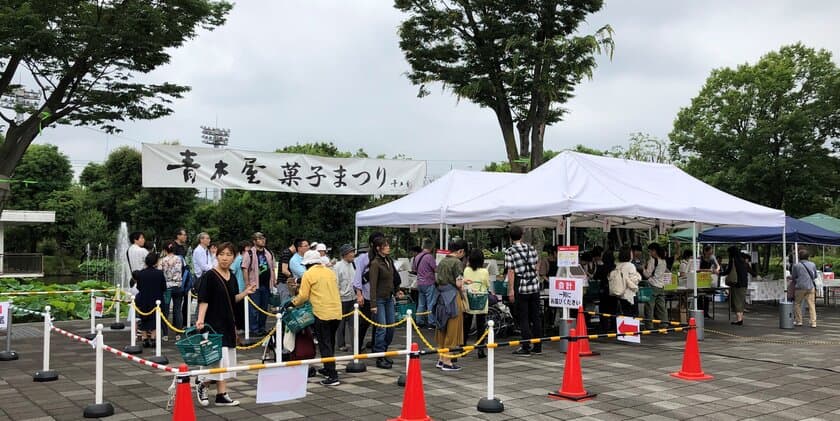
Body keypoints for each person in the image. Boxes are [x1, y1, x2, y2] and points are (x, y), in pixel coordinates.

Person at [195, 242, 257, 407]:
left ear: (234, 257)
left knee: (226, 361)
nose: (225, 258)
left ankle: (221, 394)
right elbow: (204, 300)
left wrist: (245, 293)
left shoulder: (232, 276)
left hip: (228, 324)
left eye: (229, 254)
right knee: (217, 359)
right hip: (213, 324)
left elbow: (233, 299)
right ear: (217, 256)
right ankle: (203, 382)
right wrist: (200, 319)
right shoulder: (210, 276)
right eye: (222, 254)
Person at [285, 250, 343, 386]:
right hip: (336, 311)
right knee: (330, 342)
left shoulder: (308, 274)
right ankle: (328, 367)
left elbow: (303, 296)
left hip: (321, 313)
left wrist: (292, 302)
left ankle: (332, 375)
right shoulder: (330, 272)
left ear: (307, 264)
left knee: (324, 343)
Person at [505, 225, 541, 356]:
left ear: (510, 237)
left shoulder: (510, 251)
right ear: (522, 235)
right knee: (536, 316)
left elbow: (511, 271)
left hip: (521, 286)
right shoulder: (531, 248)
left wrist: (511, 290)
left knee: (523, 317)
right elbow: (537, 264)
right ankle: (538, 346)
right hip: (534, 286)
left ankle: (526, 346)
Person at [433, 239, 467, 371]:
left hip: (440, 296)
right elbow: (459, 284)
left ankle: (441, 358)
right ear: (460, 251)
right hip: (452, 297)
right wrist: (464, 285)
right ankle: (448, 361)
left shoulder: (442, 261)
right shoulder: (457, 263)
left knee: (442, 327)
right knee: (453, 328)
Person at [368, 236, 400, 369]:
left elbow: (392, 279)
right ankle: (379, 355)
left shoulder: (388, 260)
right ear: (378, 248)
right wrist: (373, 304)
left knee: (391, 327)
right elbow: (373, 285)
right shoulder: (375, 263)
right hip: (379, 299)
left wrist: (397, 290)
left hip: (389, 298)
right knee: (381, 328)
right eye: (385, 246)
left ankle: (384, 350)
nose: (388, 247)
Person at [352, 233, 384, 352]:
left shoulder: (384, 258)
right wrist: (359, 294)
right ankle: (357, 347)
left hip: (380, 295)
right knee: (364, 323)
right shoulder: (363, 258)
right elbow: (357, 277)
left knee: (379, 324)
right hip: (366, 295)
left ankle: (376, 348)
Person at [242, 232, 276, 336]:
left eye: (263, 238)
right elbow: (245, 268)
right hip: (254, 285)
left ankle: (262, 328)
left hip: (266, 285)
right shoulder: (250, 253)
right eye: (260, 239)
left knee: (264, 308)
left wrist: (274, 280)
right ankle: (254, 329)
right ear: (254, 241)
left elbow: (273, 268)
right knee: (254, 309)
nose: (263, 240)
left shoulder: (269, 252)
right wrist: (247, 283)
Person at [462, 248, 489, 359]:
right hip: (481, 301)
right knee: (481, 325)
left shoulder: (466, 270)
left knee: (466, 324)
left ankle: (462, 346)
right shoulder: (484, 272)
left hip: (469, 299)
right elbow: (487, 285)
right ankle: (480, 349)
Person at [135, 252, 166, 348]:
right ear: (156, 262)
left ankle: (144, 338)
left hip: (143, 299)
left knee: (144, 318)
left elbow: (139, 287)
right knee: (155, 319)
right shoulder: (159, 273)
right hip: (157, 299)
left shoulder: (141, 274)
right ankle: (153, 337)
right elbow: (163, 287)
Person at [720, 246, 754, 325]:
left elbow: (728, 271)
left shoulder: (733, 260)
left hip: (736, 283)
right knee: (741, 301)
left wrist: (720, 273)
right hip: (744, 283)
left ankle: (739, 319)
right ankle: (740, 318)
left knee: (736, 301)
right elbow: (751, 271)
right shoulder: (743, 260)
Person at [158, 241, 184, 339]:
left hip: (167, 288)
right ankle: (178, 334)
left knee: (165, 311)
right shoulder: (179, 259)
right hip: (178, 286)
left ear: (165, 250)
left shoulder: (162, 260)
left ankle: (165, 334)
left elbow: (160, 273)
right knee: (177, 310)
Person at [333, 244, 356, 352]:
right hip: (341, 298)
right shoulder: (337, 266)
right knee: (340, 323)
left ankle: (355, 344)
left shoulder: (353, 264)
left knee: (353, 322)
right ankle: (341, 344)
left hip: (353, 297)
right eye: (350, 252)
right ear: (344, 254)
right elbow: (335, 283)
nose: (353, 254)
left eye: (353, 252)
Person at [642, 243, 669, 329]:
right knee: (661, 307)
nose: (649, 253)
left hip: (652, 285)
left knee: (649, 307)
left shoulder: (652, 261)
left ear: (654, 251)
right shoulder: (663, 261)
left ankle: (649, 326)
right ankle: (664, 324)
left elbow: (647, 275)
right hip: (661, 286)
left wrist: (643, 268)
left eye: (650, 251)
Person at [413, 238, 438, 329]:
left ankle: (419, 321)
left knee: (421, 303)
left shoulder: (417, 257)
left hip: (420, 283)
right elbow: (436, 269)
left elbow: (414, 269)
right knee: (430, 303)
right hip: (429, 283)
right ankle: (431, 322)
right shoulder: (429, 257)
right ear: (431, 247)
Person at [790, 249, 819, 328]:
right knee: (811, 305)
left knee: (797, 304)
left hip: (800, 287)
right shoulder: (813, 264)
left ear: (799, 257)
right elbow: (815, 276)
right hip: (810, 287)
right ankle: (813, 322)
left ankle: (799, 321)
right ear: (808, 257)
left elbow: (793, 277)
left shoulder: (796, 266)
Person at [609, 247, 640, 316]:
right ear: (628, 255)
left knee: (626, 314)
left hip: (621, 294)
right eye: (631, 253)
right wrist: (638, 277)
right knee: (634, 315)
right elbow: (634, 280)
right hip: (630, 294)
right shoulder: (630, 265)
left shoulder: (618, 265)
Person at [231, 241, 250, 333]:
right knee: (239, 309)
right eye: (247, 247)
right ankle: (239, 327)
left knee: (243, 309)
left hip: (245, 288)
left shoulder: (245, 258)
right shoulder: (239, 259)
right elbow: (232, 270)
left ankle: (243, 326)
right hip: (239, 287)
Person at [596, 250, 617, 333]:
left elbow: (595, 277)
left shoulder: (601, 267)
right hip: (613, 290)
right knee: (613, 309)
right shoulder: (615, 267)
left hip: (603, 291)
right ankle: (613, 326)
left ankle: (604, 326)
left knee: (603, 309)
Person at [275, 239, 296, 306]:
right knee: (285, 304)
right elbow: (284, 270)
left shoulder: (291, 254)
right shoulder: (286, 253)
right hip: (283, 283)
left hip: (287, 283)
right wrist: (295, 278)